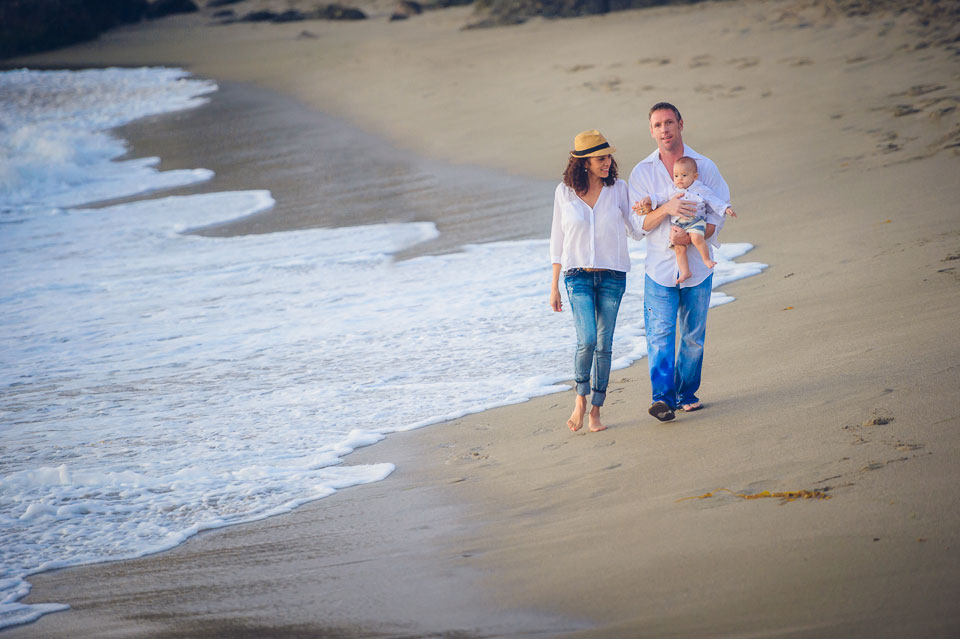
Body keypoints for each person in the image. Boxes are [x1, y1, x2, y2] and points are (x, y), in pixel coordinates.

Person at [628, 102, 732, 422]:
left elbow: (719, 216)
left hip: (698, 268)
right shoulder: (642, 172)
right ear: (651, 131)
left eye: (669, 123)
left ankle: (686, 393)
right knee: (659, 334)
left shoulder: (705, 167)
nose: (664, 130)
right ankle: (662, 398)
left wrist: (694, 237)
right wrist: (666, 208)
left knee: (692, 335)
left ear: (681, 124)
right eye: (658, 125)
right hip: (659, 268)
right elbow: (636, 227)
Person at [550, 130, 645, 432]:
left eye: (608, 157)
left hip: (613, 276)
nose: (607, 162)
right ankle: (580, 398)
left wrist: (653, 212)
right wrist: (553, 286)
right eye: (600, 158)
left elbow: (637, 229)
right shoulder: (563, 192)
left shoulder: (619, 189)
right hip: (576, 276)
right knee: (587, 339)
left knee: (604, 345)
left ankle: (596, 410)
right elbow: (557, 241)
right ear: (584, 162)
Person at [653, 156, 737, 284]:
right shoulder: (672, 190)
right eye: (676, 176)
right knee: (679, 248)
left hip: (696, 220)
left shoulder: (700, 189)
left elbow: (712, 199)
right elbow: (660, 197)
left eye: (684, 175)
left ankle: (706, 259)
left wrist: (725, 208)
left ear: (695, 176)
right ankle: (685, 272)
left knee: (696, 238)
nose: (679, 179)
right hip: (679, 224)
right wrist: (649, 200)